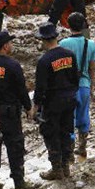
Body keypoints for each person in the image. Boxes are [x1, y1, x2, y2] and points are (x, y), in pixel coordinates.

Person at [0, 31, 36, 189]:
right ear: (5, 46)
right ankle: (19, 183)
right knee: (15, 146)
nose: (11, 45)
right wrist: (28, 107)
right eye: (10, 43)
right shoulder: (13, 65)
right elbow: (21, 89)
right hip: (10, 113)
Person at [32, 23, 80, 180]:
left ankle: (56, 168)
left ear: (43, 40)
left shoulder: (44, 61)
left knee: (51, 134)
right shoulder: (69, 55)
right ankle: (66, 166)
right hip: (69, 99)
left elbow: (40, 88)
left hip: (52, 103)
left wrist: (35, 107)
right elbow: (76, 77)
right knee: (66, 131)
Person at [59, 13, 95, 157]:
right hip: (85, 85)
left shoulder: (63, 44)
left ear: (68, 25)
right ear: (83, 25)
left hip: (69, 87)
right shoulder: (91, 44)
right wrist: (91, 86)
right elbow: (92, 67)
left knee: (69, 118)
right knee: (84, 115)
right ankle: (82, 147)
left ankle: (69, 150)